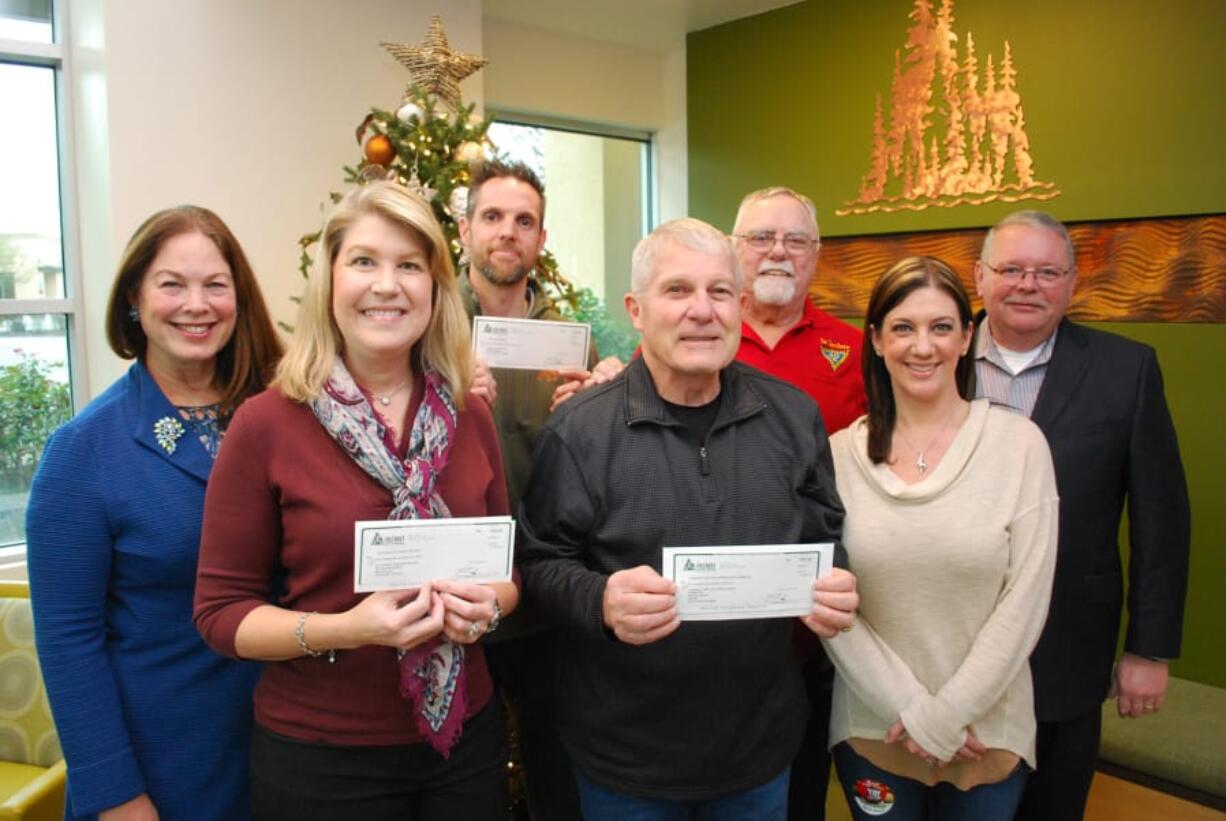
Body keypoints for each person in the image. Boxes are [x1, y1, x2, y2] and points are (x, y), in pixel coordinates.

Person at [193, 181, 518, 820]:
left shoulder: (471, 414)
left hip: (464, 744)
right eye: (364, 261)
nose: (386, 284)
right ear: (331, 281)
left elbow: (506, 574)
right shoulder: (267, 424)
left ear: (435, 288)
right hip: (321, 759)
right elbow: (221, 615)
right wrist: (351, 629)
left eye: (409, 266)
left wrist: (487, 608)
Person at [518, 218, 859, 820]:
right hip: (626, 760)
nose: (702, 310)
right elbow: (540, 562)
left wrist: (834, 585)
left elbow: (826, 540)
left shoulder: (793, 418)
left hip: (757, 751)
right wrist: (599, 600)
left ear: (740, 304)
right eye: (677, 290)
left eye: (720, 292)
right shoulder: (579, 432)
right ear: (636, 310)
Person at [26, 205, 283, 820]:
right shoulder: (83, 451)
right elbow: (68, 642)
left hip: (288, 745)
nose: (197, 304)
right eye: (172, 284)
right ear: (135, 300)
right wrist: (115, 794)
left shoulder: (284, 416)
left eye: (215, 285)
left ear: (239, 300)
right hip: (164, 763)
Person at [971, 211, 1190, 821]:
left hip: (1066, 647)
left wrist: (1149, 649)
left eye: (1047, 271)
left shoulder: (1128, 369)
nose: (1027, 284)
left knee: (1051, 807)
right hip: (946, 641)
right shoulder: (927, 352)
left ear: (1072, 283)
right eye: (1010, 269)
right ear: (980, 277)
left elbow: (1161, 519)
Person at [822, 256, 1058, 820]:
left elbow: (1025, 601)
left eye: (941, 327)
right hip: (874, 729)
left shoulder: (1020, 445)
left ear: (966, 337)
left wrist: (947, 716)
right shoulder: (834, 456)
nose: (922, 346)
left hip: (985, 732)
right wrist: (912, 713)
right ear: (876, 340)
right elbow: (828, 603)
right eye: (903, 327)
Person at [457, 159, 615, 820]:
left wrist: (605, 393)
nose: (507, 232)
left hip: (549, 596)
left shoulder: (578, 335)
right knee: (468, 780)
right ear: (464, 229)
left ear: (541, 240)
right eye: (492, 217)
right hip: (460, 596)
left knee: (558, 774)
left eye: (524, 221)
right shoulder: (426, 327)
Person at [731, 186, 866, 820]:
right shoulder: (700, 333)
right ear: (736, 250)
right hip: (716, 617)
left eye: (795, 240)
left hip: (815, 627)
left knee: (801, 791)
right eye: (760, 238)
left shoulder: (858, 350)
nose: (777, 252)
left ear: (817, 254)